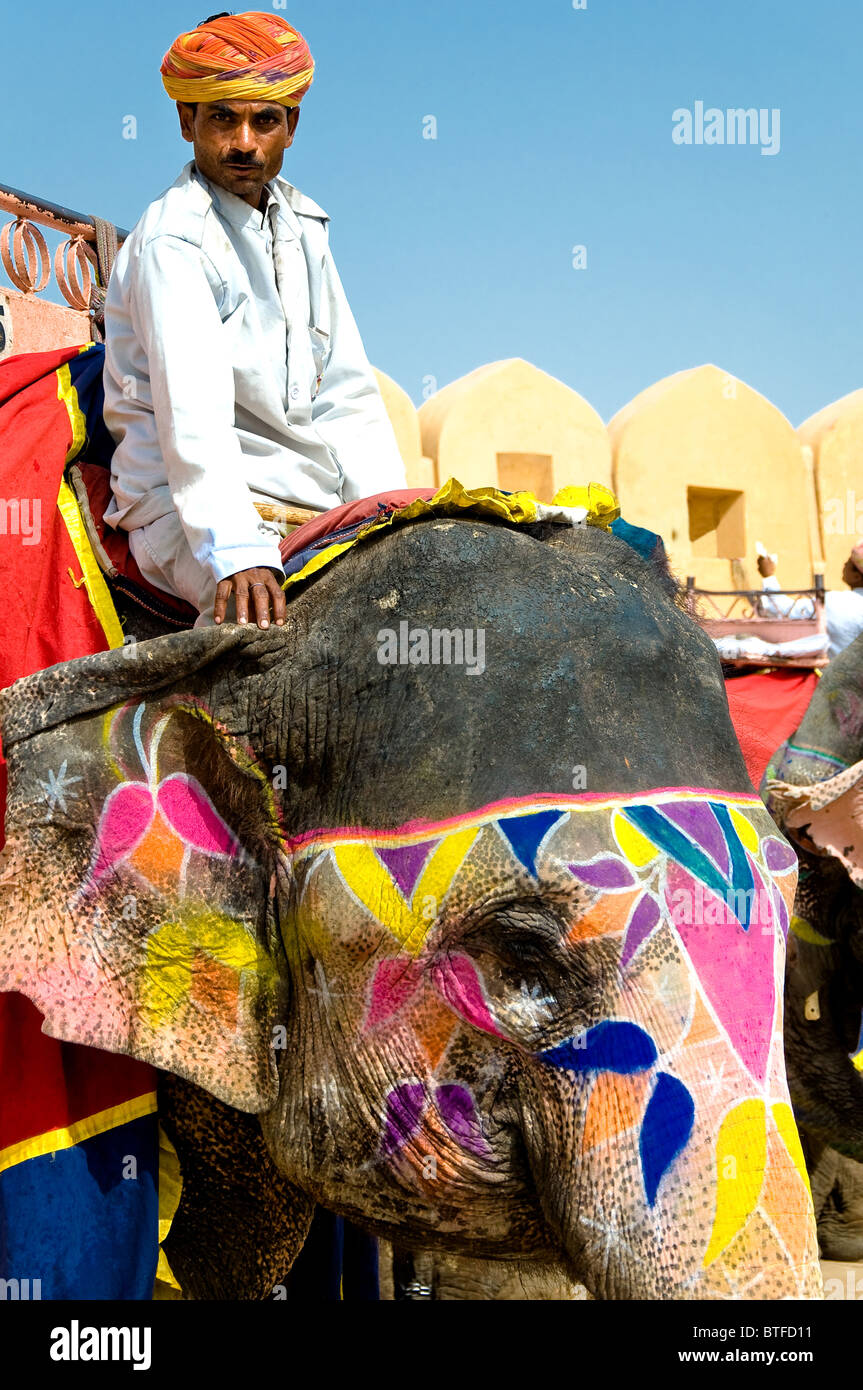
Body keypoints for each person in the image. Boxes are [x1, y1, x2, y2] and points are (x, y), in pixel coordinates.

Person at [102, 11, 406, 630]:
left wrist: (388, 516)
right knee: (274, 644)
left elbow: (347, 396)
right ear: (188, 119)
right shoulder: (175, 241)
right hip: (188, 517)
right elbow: (194, 413)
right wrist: (235, 550)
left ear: (290, 126)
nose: (244, 142)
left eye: (264, 120)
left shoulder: (305, 231)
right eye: (223, 117)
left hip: (310, 506)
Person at [757, 543, 863, 659]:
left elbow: (782, 611)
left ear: (856, 576)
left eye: (848, 562)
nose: (844, 564)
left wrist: (768, 577)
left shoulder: (836, 602)